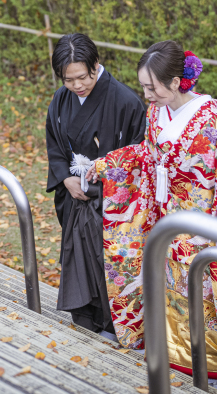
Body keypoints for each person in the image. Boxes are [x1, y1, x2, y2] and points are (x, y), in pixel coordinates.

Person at [89, 40, 217, 393]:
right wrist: (106, 164)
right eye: (144, 87)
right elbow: (146, 156)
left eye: (152, 87)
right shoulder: (156, 114)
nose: (146, 95)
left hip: (206, 224)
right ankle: (184, 364)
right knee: (171, 298)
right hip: (165, 223)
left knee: (212, 298)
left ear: (176, 82)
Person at [45, 33, 148, 335]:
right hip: (74, 197)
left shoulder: (126, 101)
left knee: (111, 265)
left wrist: (103, 184)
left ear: (96, 64)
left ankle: (118, 326)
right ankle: (88, 318)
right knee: (79, 260)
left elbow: (138, 155)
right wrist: (65, 178)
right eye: (68, 80)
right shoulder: (61, 100)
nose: (77, 85)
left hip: (113, 202)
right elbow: (54, 143)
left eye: (82, 77)